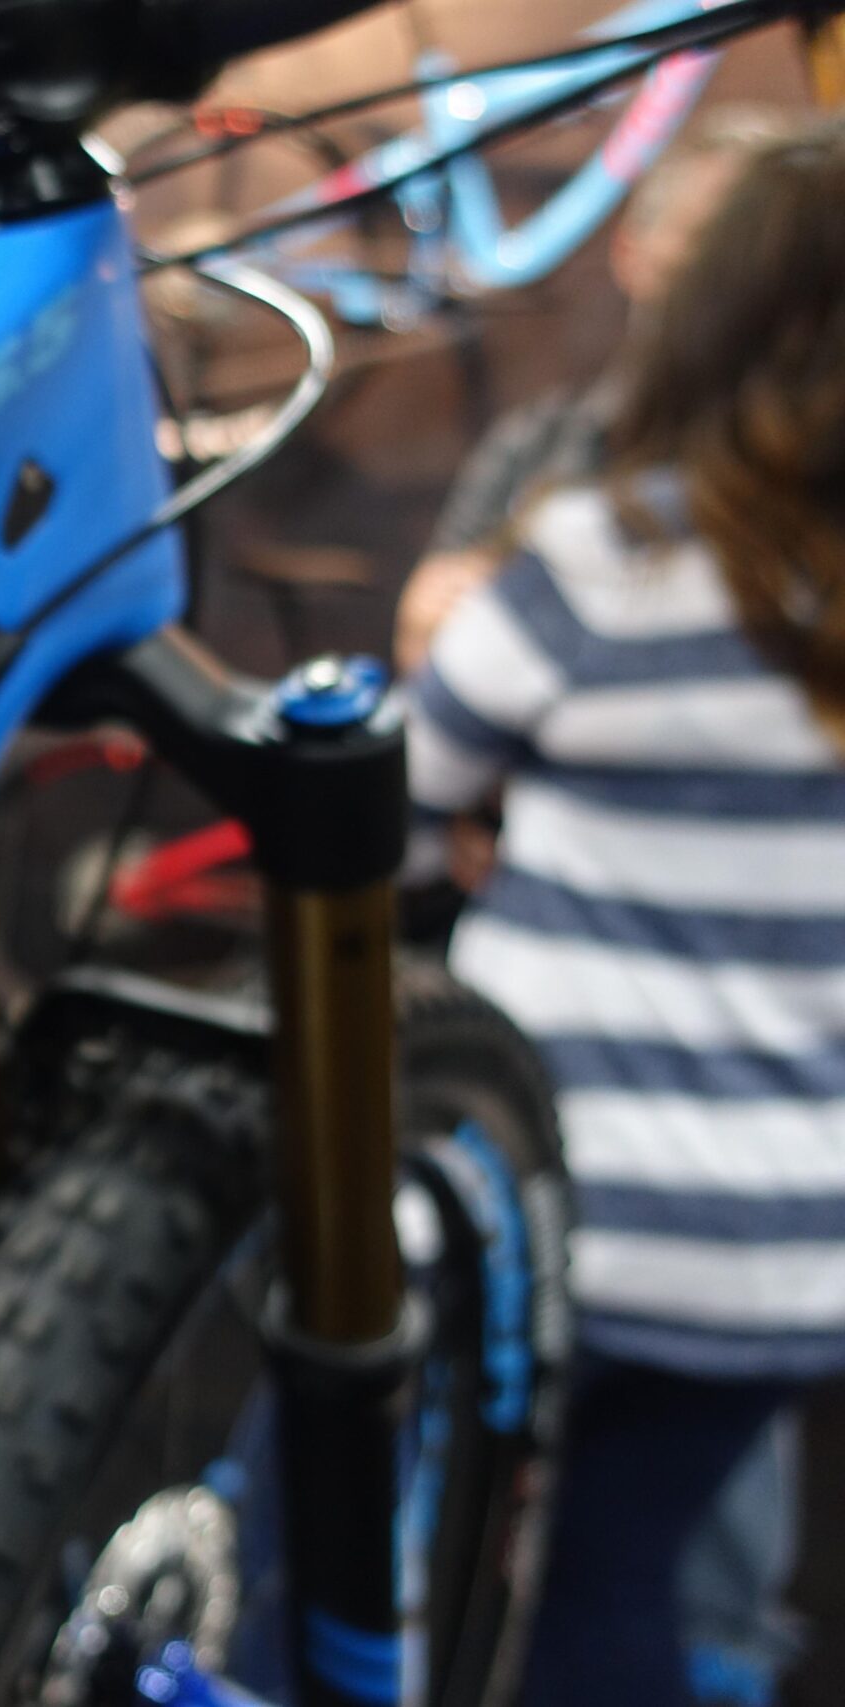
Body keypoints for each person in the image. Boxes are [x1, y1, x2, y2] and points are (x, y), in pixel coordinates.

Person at [404, 124, 845, 1707]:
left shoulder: (603, 560)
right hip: (797, 1253)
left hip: (564, 1214)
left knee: (357, 1543)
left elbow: (410, 775)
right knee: (616, 1589)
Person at [395, 108, 783, 676]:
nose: (742, 274)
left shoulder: (813, 452)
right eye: (714, 239)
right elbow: (429, 644)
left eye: (771, 249)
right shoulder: (534, 446)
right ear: (631, 254)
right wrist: (429, 620)